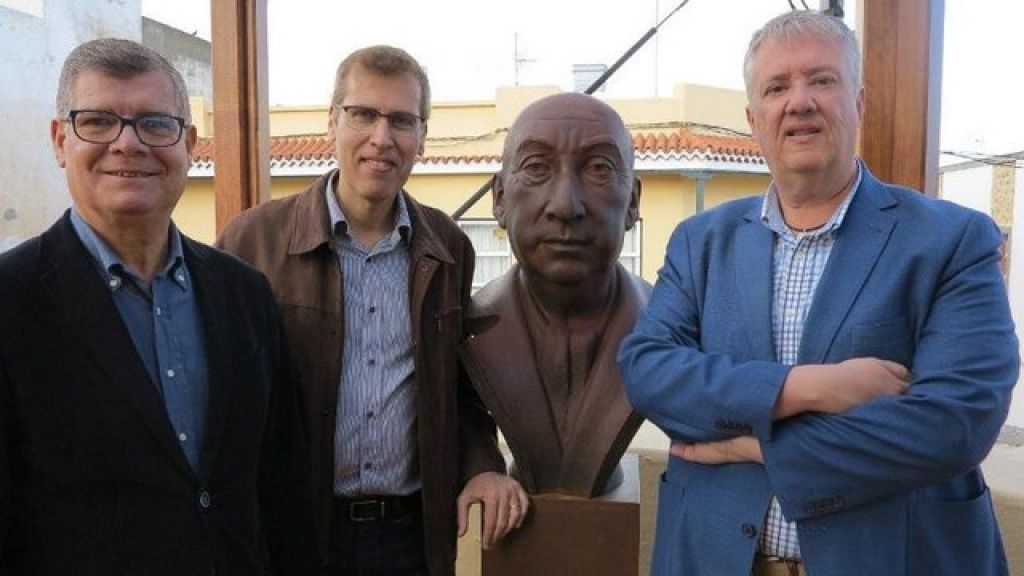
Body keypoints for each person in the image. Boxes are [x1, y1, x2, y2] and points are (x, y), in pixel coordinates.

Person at [618, 10, 1018, 576]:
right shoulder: (700, 241)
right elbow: (649, 373)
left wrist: (756, 447)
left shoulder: (952, 240)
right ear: (753, 118)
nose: (799, 102)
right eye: (776, 88)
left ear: (858, 102)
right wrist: (811, 388)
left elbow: (955, 424)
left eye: (821, 80)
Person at [0, 38, 319, 575]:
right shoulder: (11, 301)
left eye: (154, 123)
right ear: (59, 141)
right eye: (98, 122)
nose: (128, 144)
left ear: (188, 143)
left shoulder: (244, 294)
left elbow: (281, 483)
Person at [217, 45, 527, 576]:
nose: (382, 138)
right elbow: (221, 394)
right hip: (292, 532)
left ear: (422, 136)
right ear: (332, 121)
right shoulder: (253, 241)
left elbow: (461, 389)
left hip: (409, 537)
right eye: (363, 114)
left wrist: (483, 467)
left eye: (402, 120)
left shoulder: (448, 248)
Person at [460, 92, 648, 498]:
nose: (565, 206)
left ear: (633, 202)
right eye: (536, 168)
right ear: (499, 199)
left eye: (599, 168)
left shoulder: (666, 329)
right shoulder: (468, 331)